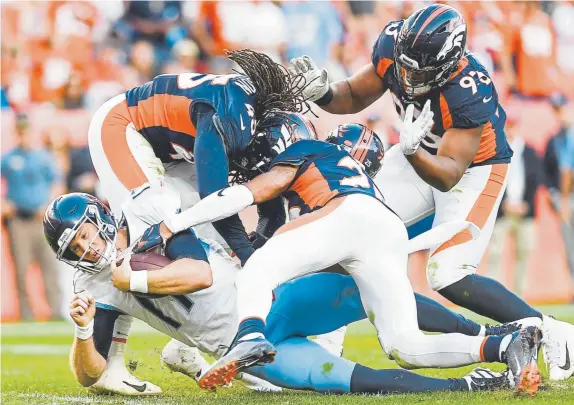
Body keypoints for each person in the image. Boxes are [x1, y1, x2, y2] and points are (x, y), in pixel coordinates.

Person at [143, 117, 542, 394]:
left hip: (347, 216)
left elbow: (245, 195)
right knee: (405, 344)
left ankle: (250, 336)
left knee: (260, 270)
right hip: (383, 227)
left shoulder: (305, 151)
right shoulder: (346, 167)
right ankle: (506, 347)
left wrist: (177, 222)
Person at [287, 3, 574, 381]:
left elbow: (448, 174)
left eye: (418, 70)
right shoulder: (391, 43)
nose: (407, 76)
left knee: (448, 274)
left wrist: (412, 150)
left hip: (472, 169)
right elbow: (355, 95)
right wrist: (325, 92)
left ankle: (553, 330)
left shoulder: (469, 86)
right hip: (417, 153)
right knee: (347, 233)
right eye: (404, 64)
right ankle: (327, 335)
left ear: (450, 62)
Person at [44, 193, 511, 396]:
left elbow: (199, 273)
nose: (87, 248)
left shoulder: (147, 218)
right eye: (76, 248)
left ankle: (493, 338)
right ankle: (467, 385)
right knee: (344, 382)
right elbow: (90, 375)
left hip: (268, 303)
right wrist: (83, 331)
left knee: (362, 290)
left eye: (85, 234)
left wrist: (133, 280)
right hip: (242, 352)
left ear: (99, 217)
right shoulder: (92, 284)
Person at [87, 49, 304, 269]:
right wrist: (249, 256)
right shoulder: (230, 123)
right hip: (125, 125)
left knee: (209, 233)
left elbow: (265, 203)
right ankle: (110, 297)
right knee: (149, 223)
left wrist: (263, 241)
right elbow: (214, 198)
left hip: (173, 144)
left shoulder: (256, 115)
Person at [1, 113, 63, 321]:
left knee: (49, 266)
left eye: (26, 130)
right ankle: (25, 313)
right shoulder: (8, 159)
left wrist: (49, 206)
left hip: (41, 218)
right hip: (19, 218)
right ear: (16, 133)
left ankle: (55, 310)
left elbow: (56, 183)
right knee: (21, 268)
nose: (23, 135)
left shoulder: (43, 158)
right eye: (20, 131)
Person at [488, 117, 542, 295]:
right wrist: (504, 203)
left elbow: (535, 179)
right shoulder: (496, 151)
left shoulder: (529, 151)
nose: (511, 129)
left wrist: (525, 202)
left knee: (523, 253)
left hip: (524, 211)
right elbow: (491, 179)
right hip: (502, 211)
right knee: (495, 253)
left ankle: (520, 295)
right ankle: (493, 296)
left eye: (513, 126)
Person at [543, 93, 574, 281]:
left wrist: (561, 200)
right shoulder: (557, 137)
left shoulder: (567, 134)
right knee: (569, 245)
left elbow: (566, 170)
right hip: (567, 196)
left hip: (567, 197)